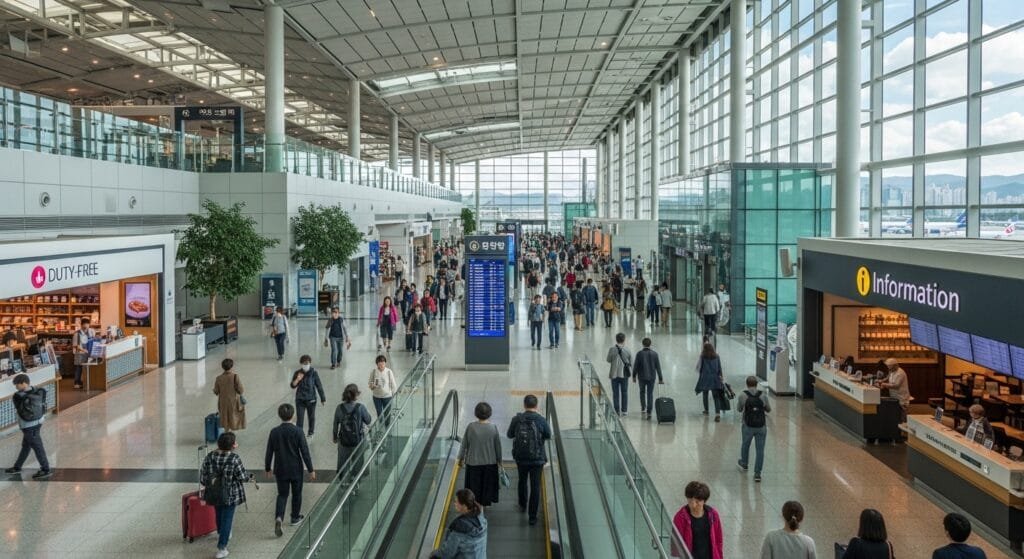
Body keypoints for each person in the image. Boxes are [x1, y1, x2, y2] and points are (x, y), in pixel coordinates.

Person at [265, 403, 316, 538]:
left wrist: (267, 468)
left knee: (282, 495)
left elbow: (269, 451)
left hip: (280, 468)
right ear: (293, 416)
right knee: (297, 493)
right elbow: (304, 451)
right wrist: (311, 469)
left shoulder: (274, 432)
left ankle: (279, 517)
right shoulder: (298, 431)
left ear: (279, 416)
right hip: (295, 468)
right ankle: (295, 517)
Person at [506, 394, 553, 526]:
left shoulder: (517, 419)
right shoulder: (541, 420)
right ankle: (532, 517)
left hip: (521, 457)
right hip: (537, 459)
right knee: (535, 485)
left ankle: (522, 505)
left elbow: (509, 435)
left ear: (524, 405)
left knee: (522, 480)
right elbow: (548, 435)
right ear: (536, 406)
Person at [200, 432, 248, 559]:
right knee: (227, 518)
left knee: (219, 514)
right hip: (230, 495)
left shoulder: (210, 457)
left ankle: (222, 533)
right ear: (233, 445)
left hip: (214, 493)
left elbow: (203, 476)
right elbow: (242, 477)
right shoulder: (234, 458)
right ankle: (222, 547)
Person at [4, 373, 51, 479]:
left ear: (24, 383)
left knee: (38, 447)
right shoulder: (39, 390)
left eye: (17, 384)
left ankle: (45, 469)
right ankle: (17, 467)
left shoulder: (18, 396)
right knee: (26, 446)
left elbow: (18, 408)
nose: (16, 387)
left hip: (28, 425)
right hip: (38, 421)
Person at [459, 402, 502, 507]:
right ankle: (483, 506)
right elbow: (498, 446)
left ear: (476, 413)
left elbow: (464, 444)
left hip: (473, 463)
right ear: (490, 414)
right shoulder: (493, 428)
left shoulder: (471, 427)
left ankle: (475, 506)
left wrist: (461, 458)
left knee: (474, 488)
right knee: (486, 487)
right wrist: (499, 460)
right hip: (490, 463)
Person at [430, 488, 488, 559]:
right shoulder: (482, 519)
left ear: (464, 506)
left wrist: (434, 553)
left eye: (456, 502)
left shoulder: (459, 529)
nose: (454, 504)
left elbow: (447, 553)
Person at [672, 481, 724, 559]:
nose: (693, 505)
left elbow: (718, 540)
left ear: (704, 501)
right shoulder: (680, 517)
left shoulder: (713, 515)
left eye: (697, 501)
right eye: (690, 501)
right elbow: (676, 544)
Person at [737, 375, 771, 482]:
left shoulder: (743, 395)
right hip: (761, 426)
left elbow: (739, 409)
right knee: (760, 450)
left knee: (745, 445)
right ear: (756, 384)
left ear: (747, 384)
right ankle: (757, 474)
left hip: (748, 425)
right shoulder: (763, 395)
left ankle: (744, 463)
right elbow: (768, 409)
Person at [332, 383, 372, 473]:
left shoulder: (339, 408)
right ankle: (356, 481)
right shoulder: (360, 407)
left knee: (342, 462)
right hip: (358, 440)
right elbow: (368, 420)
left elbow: (335, 424)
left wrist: (335, 437)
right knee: (358, 462)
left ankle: (342, 481)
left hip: (343, 441)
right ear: (356, 395)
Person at [290, 355, 326, 439]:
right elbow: (293, 385)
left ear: (310, 363)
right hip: (300, 400)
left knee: (311, 417)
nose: (306, 365)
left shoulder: (314, 373)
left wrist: (323, 398)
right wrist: (297, 379)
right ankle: (299, 434)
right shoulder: (297, 373)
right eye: (304, 363)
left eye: (307, 363)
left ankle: (311, 432)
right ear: (301, 364)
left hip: (311, 399)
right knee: (300, 418)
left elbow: (319, 385)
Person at [632, 337, 665, 420]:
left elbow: (636, 366)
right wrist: (660, 378)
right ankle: (649, 411)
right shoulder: (655, 354)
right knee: (650, 393)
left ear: (642, 344)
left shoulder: (639, 354)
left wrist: (634, 376)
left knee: (642, 392)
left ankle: (643, 407)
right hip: (652, 377)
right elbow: (658, 367)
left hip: (642, 377)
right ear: (650, 344)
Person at [694, 343, 725, 422]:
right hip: (715, 378)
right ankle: (717, 414)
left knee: (705, 394)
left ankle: (706, 410)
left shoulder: (703, 357)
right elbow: (719, 368)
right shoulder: (717, 356)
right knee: (716, 397)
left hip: (705, 378)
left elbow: (699, 368)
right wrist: (721, 376)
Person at [214, 358, 246, 432]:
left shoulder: (218, 378)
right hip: (233, 401)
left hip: (223, 402)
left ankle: (226, 432)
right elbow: (241, 390)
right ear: (231, 366)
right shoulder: (235, 376)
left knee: (224, 418)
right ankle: (232, 434)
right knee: (233, 416)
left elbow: (216, 391)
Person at [606, 333, 632, 416]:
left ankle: (616, 410)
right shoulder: (627, 350)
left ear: (616, 339)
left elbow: (608, 360)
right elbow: (631, 362)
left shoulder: (612, 349)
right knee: (624, 392)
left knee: (615, 393)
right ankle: (624, 410)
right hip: (624, 375)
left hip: (614, 374)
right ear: (624, 340)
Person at [878, 357, 911, 422]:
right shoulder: (892, 371)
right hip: (894, 397)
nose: (888, 368)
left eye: (889, 366)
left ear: (895, 366)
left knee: (902, 416)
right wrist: (881, 380)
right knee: (896, 415)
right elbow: (888, 377)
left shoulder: (900, 373)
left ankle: (904, 430)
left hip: (901, 398)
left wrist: (883, 384)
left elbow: (896, 386)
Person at [368, 354, 398, 420]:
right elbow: (370, 384)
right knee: (379, 413)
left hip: (387, 396)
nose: (381, 364)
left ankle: (387, 427)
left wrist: (394, 394)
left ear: (385, 363)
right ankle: (380, 427)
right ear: (377, 364)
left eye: (383, 362)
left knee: (387, 414)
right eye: (379, 363)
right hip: (376, 397)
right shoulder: (373, 372)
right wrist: (372, 386)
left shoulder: (389, 372)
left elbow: (393, 384)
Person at [72, 318, 95, 389]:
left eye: (87, 325)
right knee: (79, 368)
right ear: (81, 325)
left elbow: (92, 339)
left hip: (87, 354)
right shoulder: (77, 334)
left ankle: (84, 382)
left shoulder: (90, 332)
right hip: (80, 354)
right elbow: (76, 345)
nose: (86, 327)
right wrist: (84, 350)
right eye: (84, 325)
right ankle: (76, 382)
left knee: (85, 368)